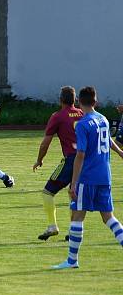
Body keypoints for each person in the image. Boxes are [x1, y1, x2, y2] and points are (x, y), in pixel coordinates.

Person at [52, 86, 123, 269]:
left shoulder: (83, 124)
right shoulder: (103, 119)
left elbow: (80, 155)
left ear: (79, 102)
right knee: (109, 217)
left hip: (88, 177)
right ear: (95, 101)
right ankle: (71, 261)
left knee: (77, 216)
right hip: (104, 176)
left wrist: (73, 183)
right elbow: (107, 140)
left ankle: (71, 261)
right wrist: (120, 152)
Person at [32, 86, 84, 240]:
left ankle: (52, 226)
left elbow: (45, 143)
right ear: (75, 100)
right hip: (86, 160)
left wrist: (39, 159)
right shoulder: (82, 114)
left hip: (71, 160)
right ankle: (73, 230)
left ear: (60, 99)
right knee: (72, 193)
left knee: (47, 192)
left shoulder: (58, 116)